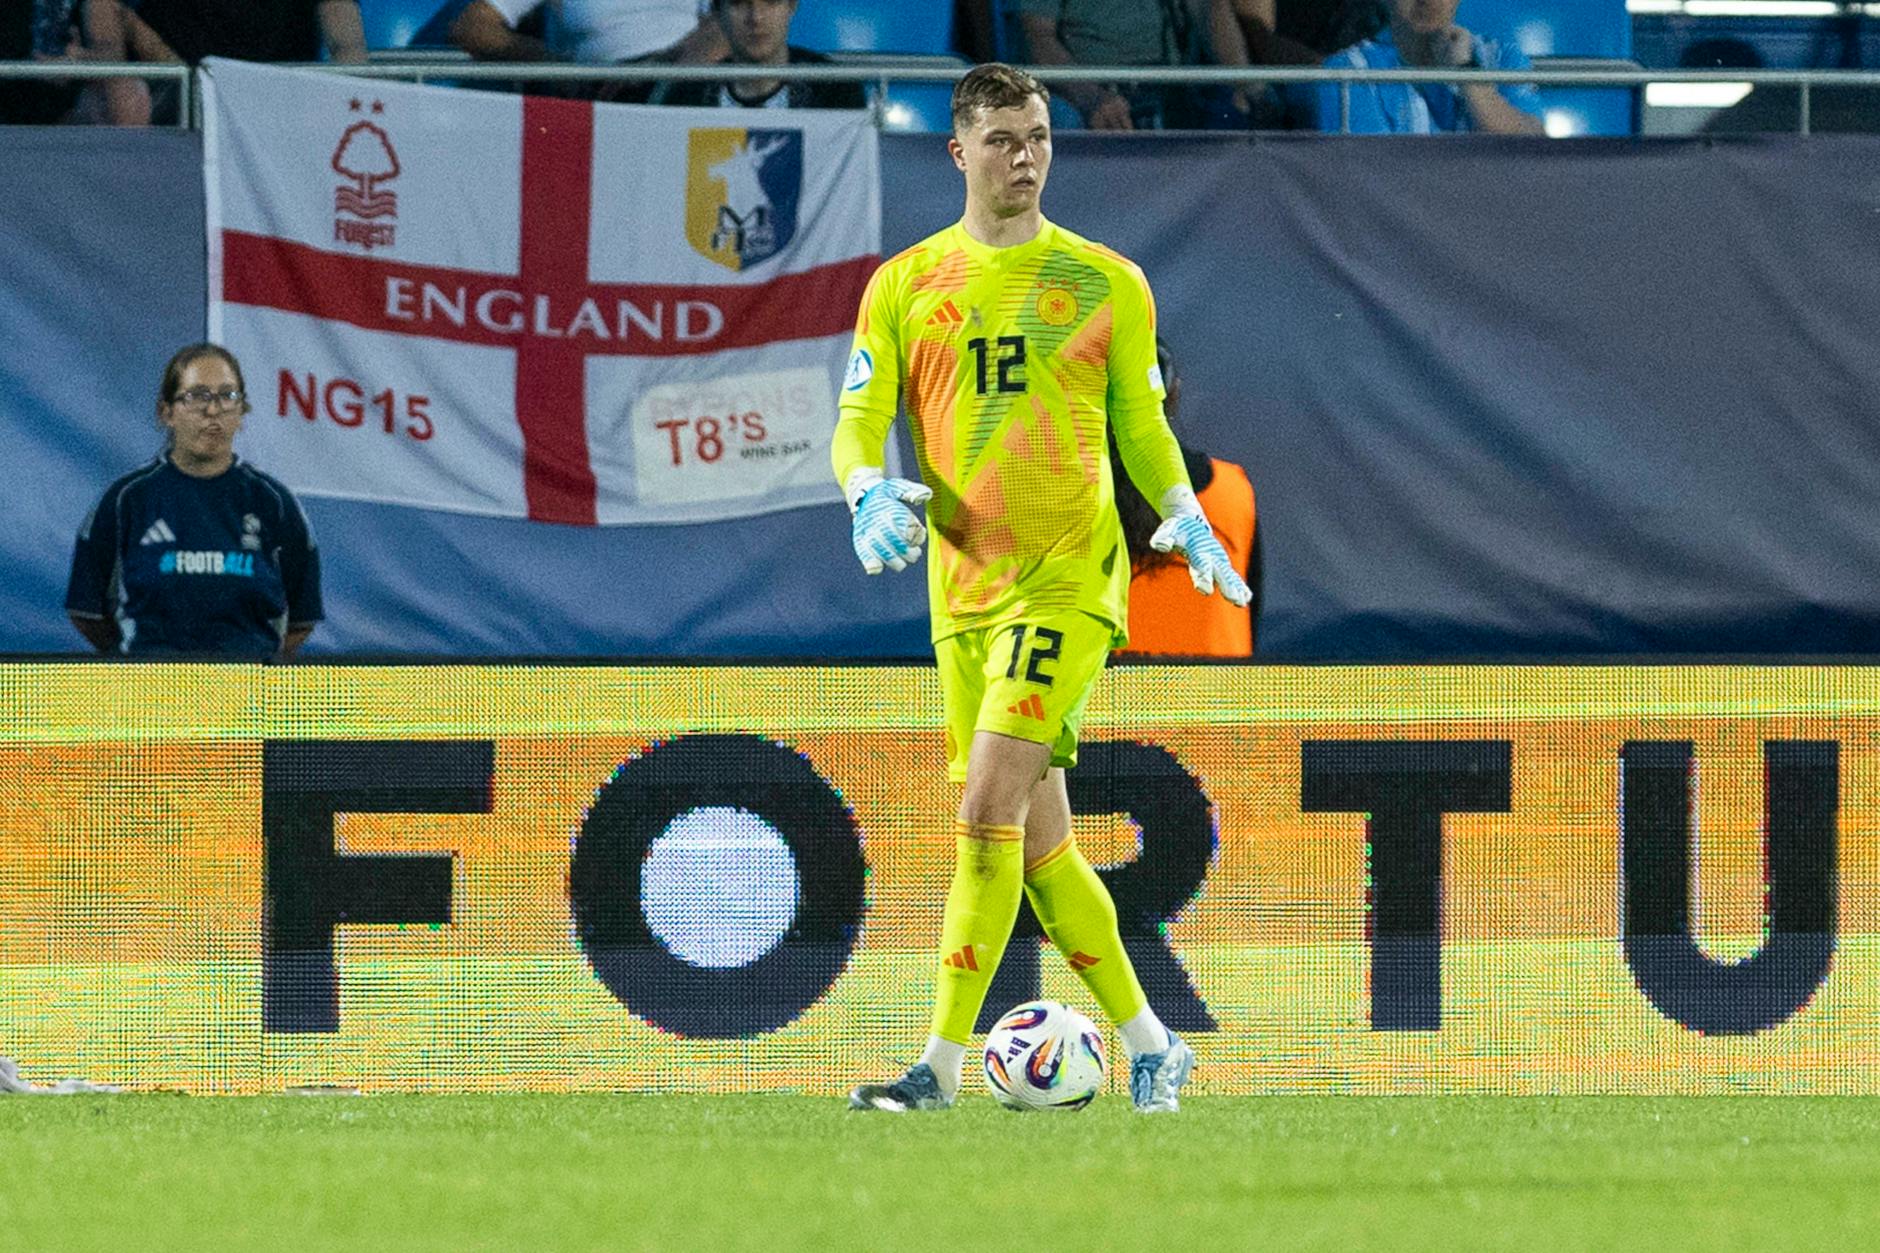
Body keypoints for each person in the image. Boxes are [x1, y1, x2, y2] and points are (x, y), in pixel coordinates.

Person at [834, 63, 1250, 1114]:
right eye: (1003, 138)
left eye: (1038, 137)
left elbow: (1140, 424)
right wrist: (859, 489)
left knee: (980, 812)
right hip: (960, 593)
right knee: (1038, 841)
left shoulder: (1106, 281)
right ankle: (1155, 1043)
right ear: (957, 151)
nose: (1024, 156)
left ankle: (933, 1069)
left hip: (1067, 581)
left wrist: (1182, 509)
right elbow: (853, 417)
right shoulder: (901, 285)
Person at [66, 343, 323, 659]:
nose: (213, 411)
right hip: (148, 697)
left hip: (249, 701)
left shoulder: (276, 503)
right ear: (167, 412)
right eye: (197, 396)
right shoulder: (125, 501)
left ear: (242, 413)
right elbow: (87, 613)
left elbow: (301, 619)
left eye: (227, 396)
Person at [1113, 339, 1260, 656]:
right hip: (1220, 698)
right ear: (1174, 392)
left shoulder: (1071, 495)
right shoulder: (1233, 490)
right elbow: (1249, 612)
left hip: (1108, 696)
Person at [1307, 0, 1542, 134]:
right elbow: (1369, 182)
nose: (1428, 1)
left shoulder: (1502, 59)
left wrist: (1469, 76)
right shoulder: (1348, 71)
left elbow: (1535, 154)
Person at [1014, 0, 1210, 130]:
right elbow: (1038, 39)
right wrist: (1092, 97)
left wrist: (1239, 84)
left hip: (1171, 88)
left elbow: (1207, 12)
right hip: (1091, 93)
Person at [650, 0, 863, 111]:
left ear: (792, 6)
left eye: (770, 2)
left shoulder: (833, 87)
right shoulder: (687, 95)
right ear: (718, 13)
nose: (755, 17)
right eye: (738, 3)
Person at [450, 0, 725, 71]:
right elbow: (472, 27)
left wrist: (665, 66)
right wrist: (553, 63)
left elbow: (729, 22)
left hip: (685, 76)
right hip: (600, 87)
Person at [0, 0, 149, 125]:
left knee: (126, 89)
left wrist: (81, 60)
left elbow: (114, 60)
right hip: (23, 95)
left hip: (81, 95)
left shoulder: (100, 7)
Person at [122, 0, 367, 66]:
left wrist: (353, 100)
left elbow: (347, 45)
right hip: (178, 97)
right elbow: (115, 11)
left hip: (277, 101)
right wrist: (184, 77)